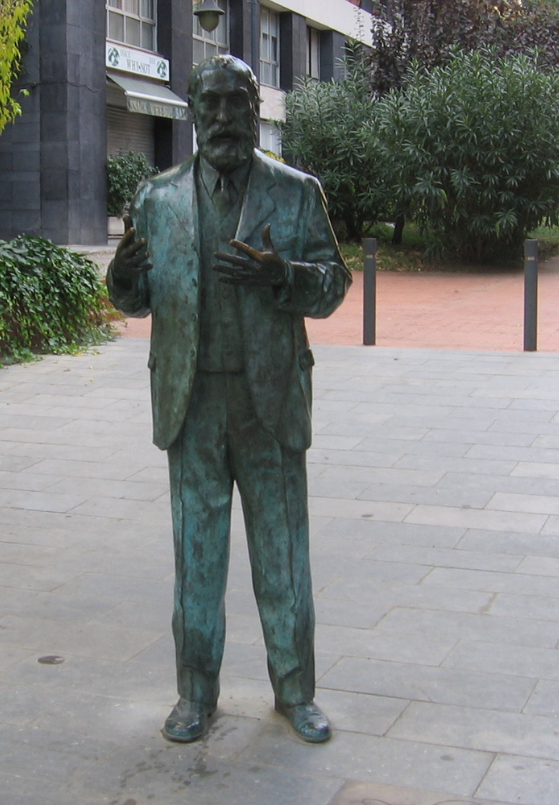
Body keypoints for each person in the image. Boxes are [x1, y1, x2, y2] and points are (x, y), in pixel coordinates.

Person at [106, 55, 350, 744]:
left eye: (233, 104)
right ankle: (195, 694)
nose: (221, 118)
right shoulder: (159, 198)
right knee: (197, 558)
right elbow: (135, 297)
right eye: (208, 105)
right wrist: (121, 281)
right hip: (192, 402)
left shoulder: (297, 193)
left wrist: (284, 276)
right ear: (191, 113)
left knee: (282, 555)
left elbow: (333, 284)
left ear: (256, 110)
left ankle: (296, 691)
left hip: (267, 399)